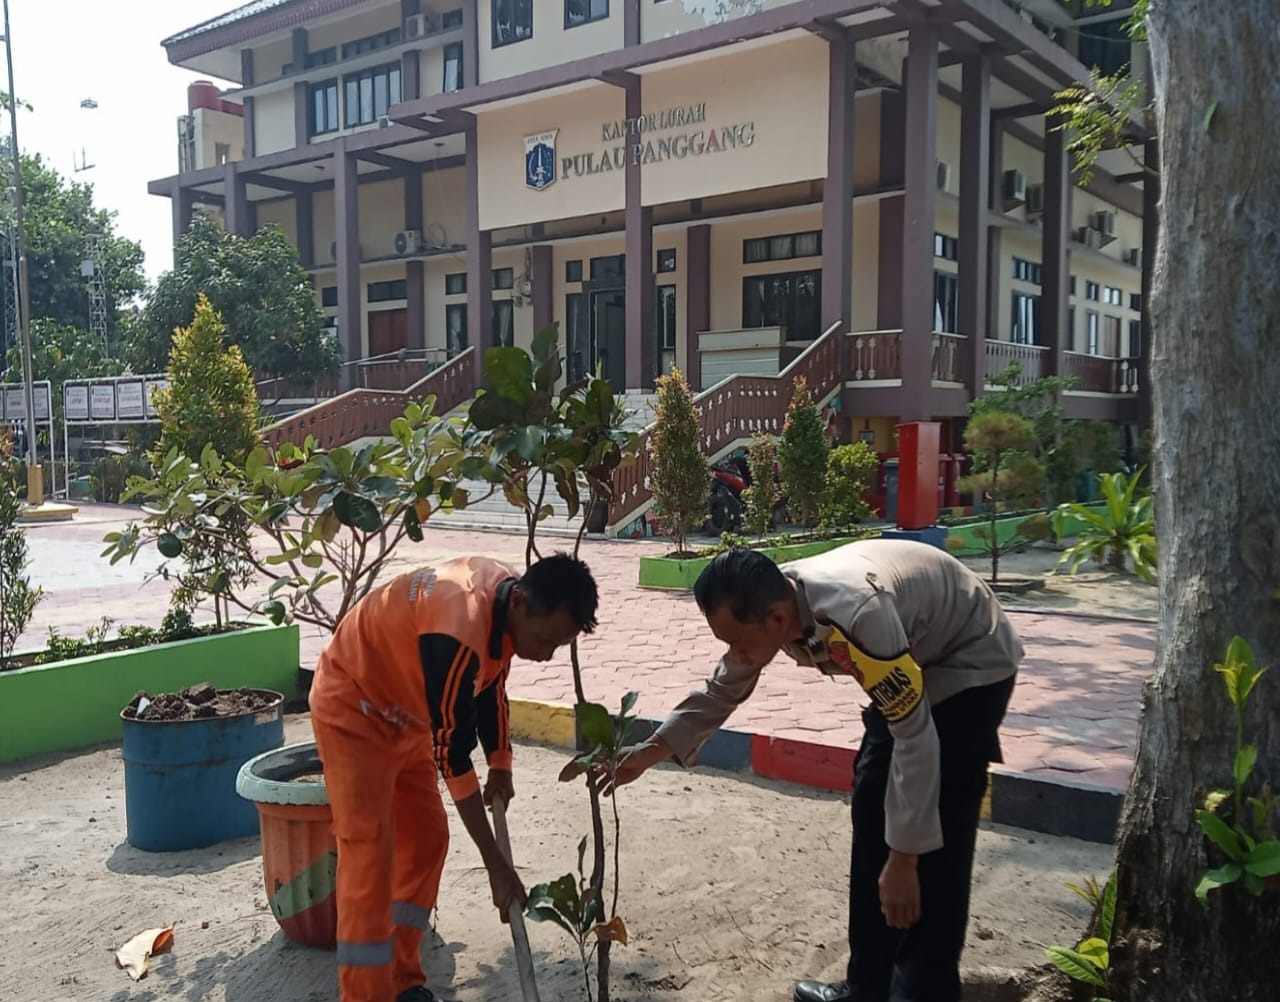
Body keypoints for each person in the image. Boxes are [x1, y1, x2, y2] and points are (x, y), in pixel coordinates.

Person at [572, 539, 1022, 1002]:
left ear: (777, 621)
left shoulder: (857, 616)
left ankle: (921, 992)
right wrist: (650, 752)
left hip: (967, 660)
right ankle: (867, 988)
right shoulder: (774, 603)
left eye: (737, 643)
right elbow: (723, 689)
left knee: (937, 833)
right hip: (911, 657)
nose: (736, 654)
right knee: (873, 798)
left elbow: (916, 735)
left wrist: (904, 859)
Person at [311, 552, 599, 1002]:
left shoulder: (507, 597)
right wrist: (496, 866)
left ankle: (400, 980)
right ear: (520, 603)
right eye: (545, 640)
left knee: (426, 838)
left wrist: (500, 763)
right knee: (369, 852)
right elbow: (453, 759)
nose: (546, 656)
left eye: (558, 646)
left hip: (405, 713)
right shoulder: (457, 628)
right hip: (355, 705)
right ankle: (365, 994)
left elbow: (491, 681)